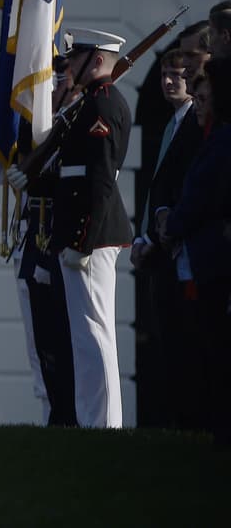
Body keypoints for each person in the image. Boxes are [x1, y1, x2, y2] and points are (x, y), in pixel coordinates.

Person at [50, 27, 133, 428]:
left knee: (95, 333)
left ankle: (103, 424)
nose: (68, 66)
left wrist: (82, 240)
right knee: (85, 336)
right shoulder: (91, 105)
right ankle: (93, 421)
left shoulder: (101, 107)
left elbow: (100, 181)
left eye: (77, 57)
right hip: (83, 233)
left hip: (91, 236)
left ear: (97, 60)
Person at [159, 61, 231, 447]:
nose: (199, 105)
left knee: (213, 352)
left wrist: (173, 225)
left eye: (205, 98)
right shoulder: (212, 138)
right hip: (200, 259)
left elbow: (201, 197)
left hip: (211, 262)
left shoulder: (220, 141)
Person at [131, 48, 205, 429]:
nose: (169, 81)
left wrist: (163, 227)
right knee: (168, 344)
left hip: (180, 247)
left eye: (178, 74)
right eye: (164, 74)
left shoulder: (194, 121)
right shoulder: (172, 122)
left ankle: (188, 427)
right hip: (160, 245)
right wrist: (144, 235)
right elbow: (157, 184)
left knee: (184, 347)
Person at [13, 55, 77, 427]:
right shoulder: (35, 125)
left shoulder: (75, 120)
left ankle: (68, 413)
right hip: (33, 236)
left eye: (57, 78)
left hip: (60, 234)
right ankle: (51, 410)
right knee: (40, 337)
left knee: (68, 332)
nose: (49, 88)